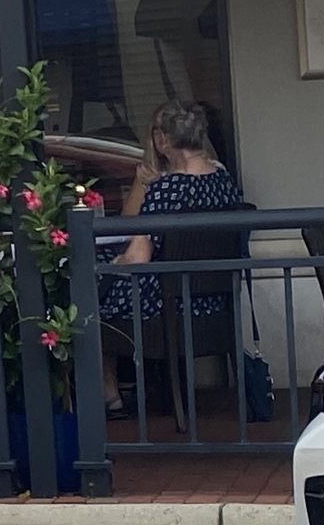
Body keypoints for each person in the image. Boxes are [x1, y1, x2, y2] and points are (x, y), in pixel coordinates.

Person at [98, 99, 245, 412]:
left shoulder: (166, 189)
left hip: (167, 302)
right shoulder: (224, 182)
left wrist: (107, 266)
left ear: (163, 140)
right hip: (215, 301)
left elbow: (138, 258)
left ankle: (108, 392)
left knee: (91, 295)